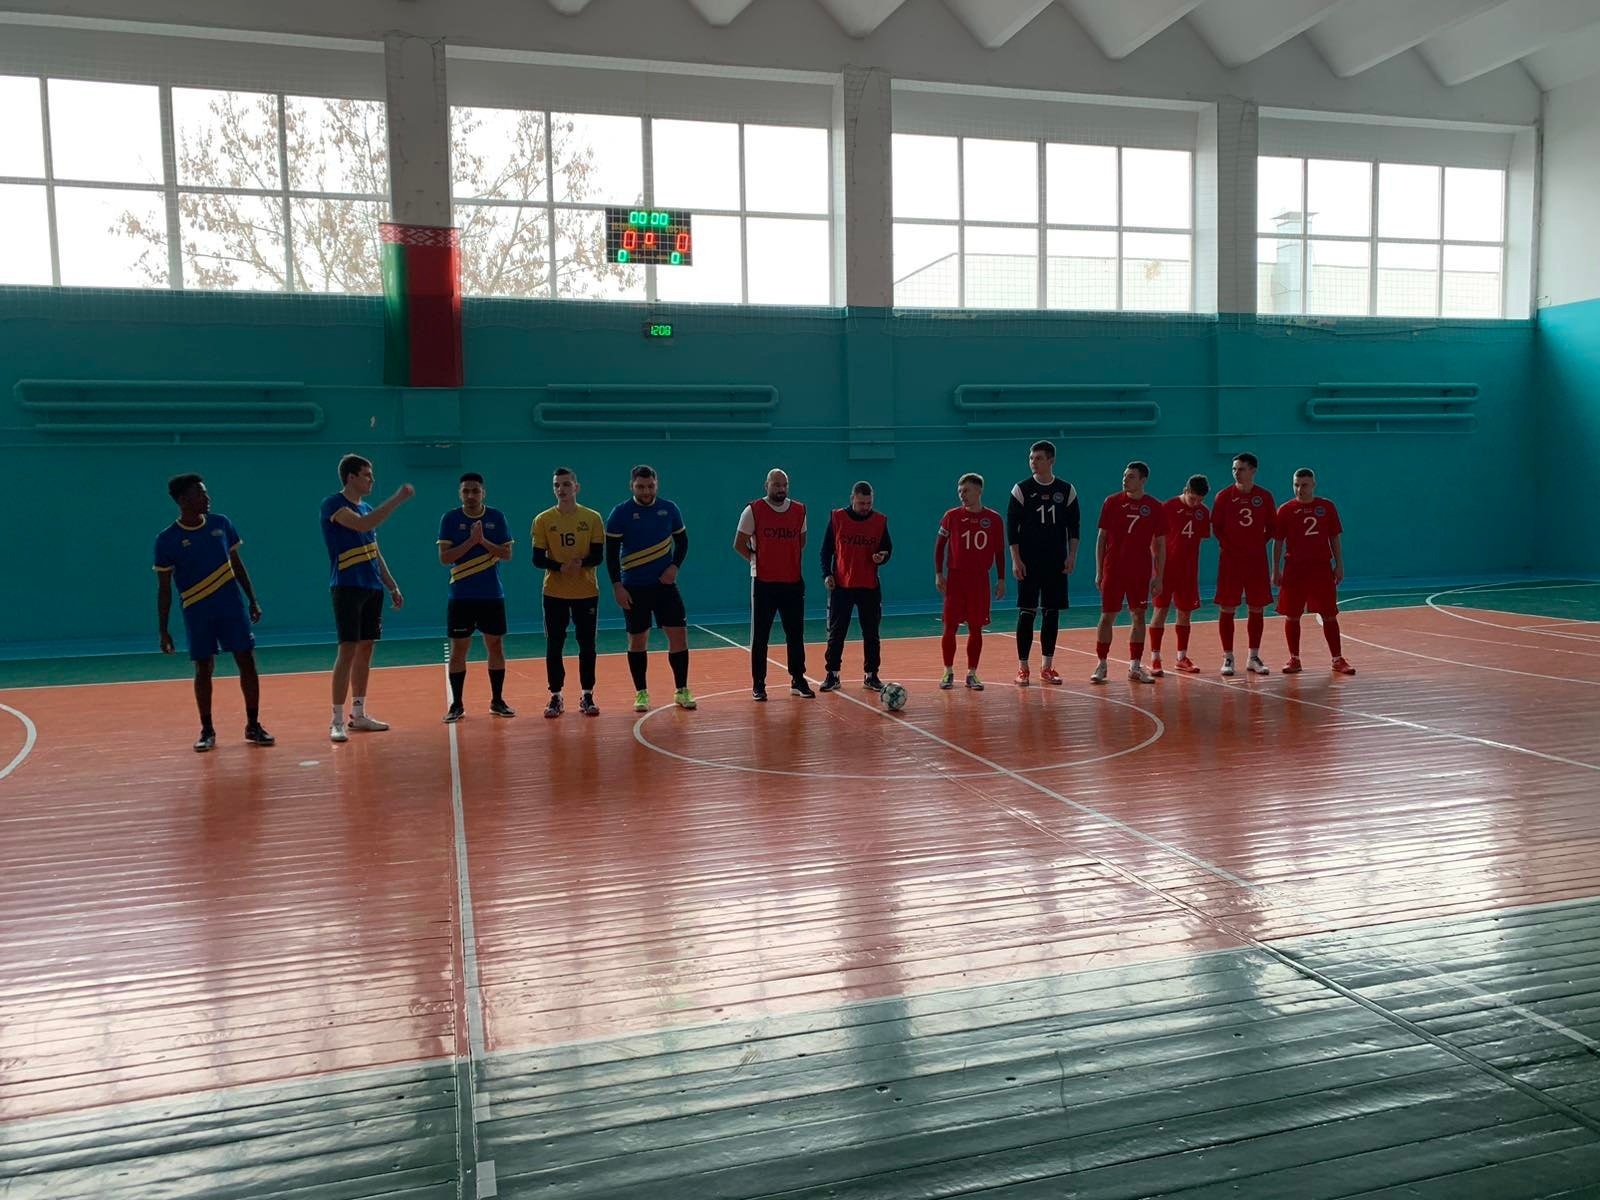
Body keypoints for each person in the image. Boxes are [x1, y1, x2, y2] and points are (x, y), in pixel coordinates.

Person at [154, 474, 273, 752]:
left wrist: (252, 599)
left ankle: (253, 725)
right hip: (198, 612)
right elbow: (164, 589)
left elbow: (237, 564)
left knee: (247, 661)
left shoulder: (221, 524)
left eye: (205, 493)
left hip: (231, 607)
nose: (207, 498)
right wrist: (163, 629)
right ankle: (207, 730)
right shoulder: (167, 540)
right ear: (183, 500)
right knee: (204, 667)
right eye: (200, 494)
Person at [321, 453, 414, 743]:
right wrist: (397, 499)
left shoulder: (368, 508)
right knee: (347, 650)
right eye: (367, 475)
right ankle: (337, 720)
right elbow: (362, 525)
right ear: (351, 477)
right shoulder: (334, 505)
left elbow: (374, 551)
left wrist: (392, 585)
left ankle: (358, 714)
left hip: (372, 588)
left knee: (366, 650)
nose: (372, 480)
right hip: (347, 586)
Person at [605, 465, 696, 713]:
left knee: (679, 635)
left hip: (665, 586)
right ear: (631, 486)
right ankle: (641, 693)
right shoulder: (620, 513)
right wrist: (617, 586)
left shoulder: (670, 509)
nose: (646, 491)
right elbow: (610, 555)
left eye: (650, 486)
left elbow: (682, 542)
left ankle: (682, 689)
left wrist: (674, 567)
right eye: (640, 487)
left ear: (657, 484)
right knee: (637, 640)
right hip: (634, 587)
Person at [437, 472, 515, 723]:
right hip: (461, 596)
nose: (471, 495)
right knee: (459, 648)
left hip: (491, 595)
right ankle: (457, 704)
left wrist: (483, 541)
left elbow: (507, 554)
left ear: (483, 493)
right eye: (466, 491)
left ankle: (497, 700)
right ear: (460, 493)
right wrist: (471, 541)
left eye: (475, 491)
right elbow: (445, 558)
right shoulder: (450, 519)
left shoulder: (496, 517)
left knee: (495, 645)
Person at [734, 468, 814, 701]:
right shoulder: (753, 510)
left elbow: (801, 541)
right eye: (776, 484)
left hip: (792, 582)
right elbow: (738, 543)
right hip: (763, 582)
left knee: (795, 634)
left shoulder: (799, 510)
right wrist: (756, 560)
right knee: (760, 636)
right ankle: (758, 684)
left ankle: (798, 679)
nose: (781, 489)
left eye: (784, 485)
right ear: (766, 485)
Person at [532, 467, 606, 717]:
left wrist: (580, 564)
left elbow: (598, 556)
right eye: (557, 485)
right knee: (554, 644)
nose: (561, 489)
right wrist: (560, 567)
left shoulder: (592, 518)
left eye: (566, 484)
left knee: (587, 644)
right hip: (555, 592)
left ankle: (588, 695)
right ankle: (556, 695)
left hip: (586, 591)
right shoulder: (543, 519)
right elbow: (537, 559)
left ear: (576, 487)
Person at [1008, 440, 1080, 687]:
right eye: (1031, 458)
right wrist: (1016, 560)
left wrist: (1071, 555)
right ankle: (1023, 668)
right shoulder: (1021, 489)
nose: (1033, 462)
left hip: (1055, 561)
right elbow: (1012, 529)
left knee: (1051, 613)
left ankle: (1047, 667)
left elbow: (1074, 527)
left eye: (1038, 458)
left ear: (1051, 460)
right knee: (1027, 612)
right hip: (1029, 561)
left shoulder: (1066, 490)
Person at [1091, 462, 1168, 685]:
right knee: (1107, 615)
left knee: (1138, 615)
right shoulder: (1112, 502)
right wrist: (1099, 571)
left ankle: (1135, 666)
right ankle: (1101, 664)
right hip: (1113, 568)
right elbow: (1101, 538)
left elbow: (1160, 544)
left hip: (1139, 570)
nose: (1125, 479)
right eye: (1125, 475)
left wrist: (1159, 576)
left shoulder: (1154, 506)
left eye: (1131, 476)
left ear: (1143, 480)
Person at [1274, 468, 1356, 676]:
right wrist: (1275, 569)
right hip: (1294, 568)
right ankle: (1294, 659)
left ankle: (1337, 659)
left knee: (1329, 614)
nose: (1299, 489)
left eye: (1304, 485)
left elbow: (1334, 537)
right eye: (1296, 485)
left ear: (1313, 485)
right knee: (1292, 614)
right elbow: (1278, 541)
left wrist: (1339, 564)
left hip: (1320, 567)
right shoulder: (1285, 510)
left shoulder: (1326, 507)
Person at [935, 473, 1006, 691]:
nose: (962, 495)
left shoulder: (994, 519)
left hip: (979, 580)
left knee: (976, 628)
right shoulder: (951, 516)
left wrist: (1001, 579)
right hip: (956, 578)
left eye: (966, 491)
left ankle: (972, 673)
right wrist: (939, 573)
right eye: (960, 491)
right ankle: (947, 671)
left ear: (979, 491)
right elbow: (939, 546)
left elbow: (999, 551)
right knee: (950, 627)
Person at [820, 481, 892, 693]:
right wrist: (827, 574)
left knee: (871, 634)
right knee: (837, 633)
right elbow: (825, 551)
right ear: (852, 499)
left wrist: (882, 557)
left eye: (869, 503)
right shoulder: (837, 518)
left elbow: (887, 548)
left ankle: (871, 675)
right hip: (842, 586)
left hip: (869, 586)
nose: (865, 507)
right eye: (861, 503)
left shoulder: (879, 521)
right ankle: (832, 674)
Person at [1211, 452, 1277, 677]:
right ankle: (1228, 657)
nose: (1236, 473)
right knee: (1227, 606)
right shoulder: (1223, 496)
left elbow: (1272, 526)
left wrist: (1256, 544)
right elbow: (1216, 527)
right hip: (1231, 560)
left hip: (1256, 560)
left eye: (1241, 469)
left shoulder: (1264, 497)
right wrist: (1230, 546)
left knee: (1256, 607)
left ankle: (1253, 657)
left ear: (1253, 470)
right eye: (1234, 469)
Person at [1148, 474, 1211, 677]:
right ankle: (1155, 659)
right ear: (1186, 490)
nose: (1196, 503)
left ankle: (1181, 657)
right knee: (1160, 611)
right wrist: (1157, 569)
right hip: (1165, 570)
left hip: (1188, 571)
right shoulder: (1167, 508)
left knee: (1185, 613)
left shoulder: (1203, 512)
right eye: (1193, 498)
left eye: (1200, 500)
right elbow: (1154, 540)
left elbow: (1197, 540)